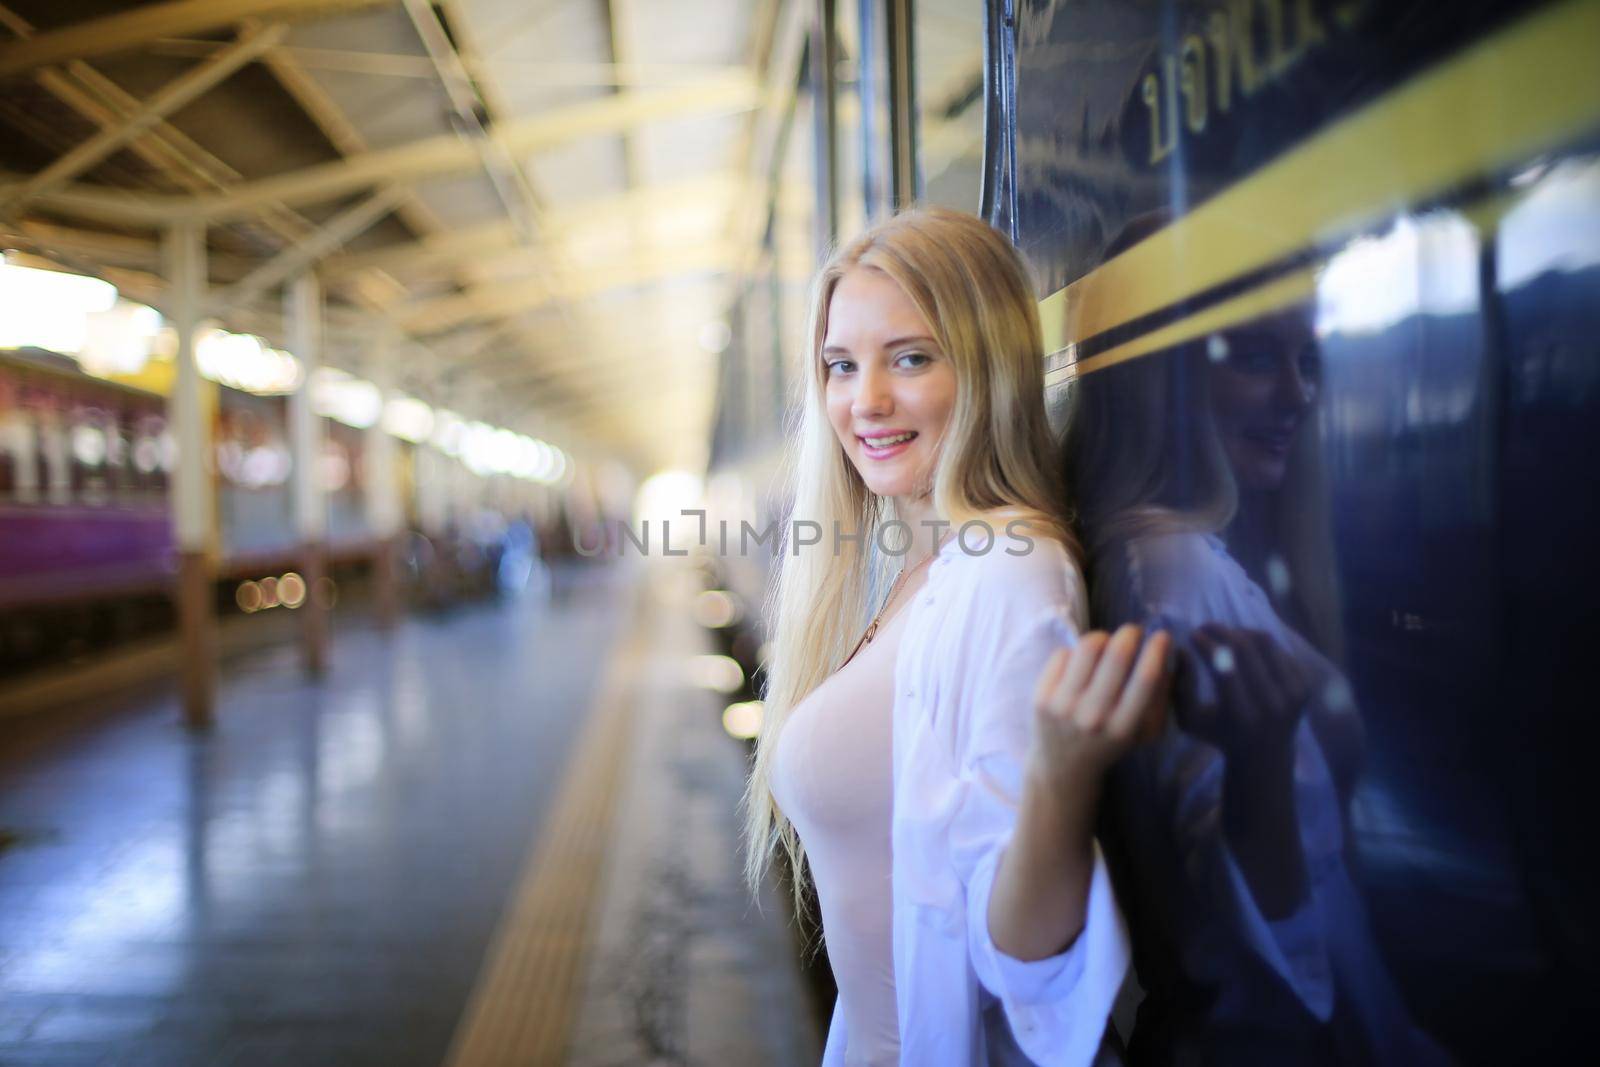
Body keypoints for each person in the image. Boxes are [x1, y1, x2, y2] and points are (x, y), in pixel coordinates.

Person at [743, 207, 1172, 1066]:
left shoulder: (1008, 571)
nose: (864, 401)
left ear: (986, 370)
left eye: (910, 357)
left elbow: (1028, 964)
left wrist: (1058, 774)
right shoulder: (926, 567)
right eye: (840, 365)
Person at [1067, 299, 1446, 1063]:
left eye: (1307, 362)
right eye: (1255, 357)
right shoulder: (1175, 573)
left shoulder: (1190, 556)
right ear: (1163, 377)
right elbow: (1240, 946)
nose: (1298, 394)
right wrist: (1262, 763)